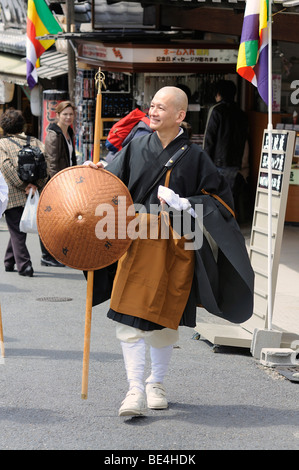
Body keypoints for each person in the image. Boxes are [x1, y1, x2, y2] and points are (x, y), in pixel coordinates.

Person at [84, 86, 254, 417]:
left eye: (162, 107)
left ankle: (156, 382)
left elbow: (221, 202)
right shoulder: (136, 145)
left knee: (165, 319)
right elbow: (113, 182)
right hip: (135, 239)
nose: (154, 111)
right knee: (129, 315)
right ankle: (134, 387)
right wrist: (97, 172)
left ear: (180, 115)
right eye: (152, 105)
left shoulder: (196, 156)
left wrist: (187, 203)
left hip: (177, 244)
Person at [0, 108, 49, 276]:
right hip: (34, 192)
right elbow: (46, 163)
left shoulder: (2, 144)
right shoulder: (35, 141)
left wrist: (23, 185)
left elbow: (6, 167)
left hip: (13, 193)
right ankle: (8, 261)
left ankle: (24, 266)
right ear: (23, 125)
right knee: (18, 229)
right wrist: (35, 185)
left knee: (16, 229)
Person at [42, 100, 77, 266]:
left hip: (66, 180)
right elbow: (52, 162)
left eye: (71, 114)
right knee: (50, 220)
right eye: (65, 114)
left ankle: (55, 253)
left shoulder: (69, 132)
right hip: (56, 182)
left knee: (60, 219)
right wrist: (57, 184)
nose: (68, 117)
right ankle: (47, 255)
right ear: (58, 115)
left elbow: (71, 158)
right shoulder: (54, 134)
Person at [203, 80, 248, 194]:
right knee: (227, 197)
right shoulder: (241, 113)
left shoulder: (216, 110)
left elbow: (209, 139)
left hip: (217, 163)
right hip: (234, 163)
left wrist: (204, 162)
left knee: (214, 197)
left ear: (218, 94)